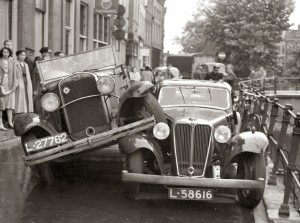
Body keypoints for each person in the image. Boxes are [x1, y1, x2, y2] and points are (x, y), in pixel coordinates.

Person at [0, 47, 16, 130]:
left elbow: (14, 74)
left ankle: (10, 122)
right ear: (1, 53)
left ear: (10, 53)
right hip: (1, 83)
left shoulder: (12, 62)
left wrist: (14, 85)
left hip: (10, 84)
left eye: (7, 52)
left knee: (10, 105)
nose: (5, 53)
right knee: (1, 104)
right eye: (4, 52)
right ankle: (1, 124)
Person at [14, 49, 34, 114]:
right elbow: (13, 75)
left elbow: (28, 74)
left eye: (24, 55)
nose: (23, 56)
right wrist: (16, 82)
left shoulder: (26, 65)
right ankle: (19, 111)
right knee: (19, 97)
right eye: (21, 55)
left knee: (27, 95)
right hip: (19, 81)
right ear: (18, 56)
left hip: (26, 81)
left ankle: (26, 110)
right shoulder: (15, 64)